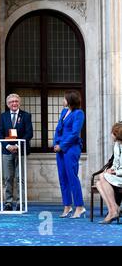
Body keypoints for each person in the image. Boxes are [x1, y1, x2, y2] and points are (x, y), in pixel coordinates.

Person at [0, 93, 33, 211]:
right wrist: (7, 146)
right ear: (8, 104)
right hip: (6, 152)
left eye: (16, 101)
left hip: (20, 151)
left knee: (20, 178)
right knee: (8, 177)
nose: (14, 103)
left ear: (19, 103)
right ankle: (8, 202)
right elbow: (0, 134)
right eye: (12, 102)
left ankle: (20, 203)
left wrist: (17, 146)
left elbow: (29, 133)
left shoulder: (26, 116)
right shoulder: (3, 116)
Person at [53, 90, 86, 219]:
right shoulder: (63, 112)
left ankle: (79, 206)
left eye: (64, 98)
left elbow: (74, 133)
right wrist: (56, 144)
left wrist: (62, 146)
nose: (63, 100)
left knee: (72, 177)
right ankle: (67, 205)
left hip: (71, 148)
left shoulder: (79, 113)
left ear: (70, 100)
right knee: (62, 178)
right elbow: (58, 129)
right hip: (60, 148)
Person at [95, 122, 122, 224]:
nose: (111, 134)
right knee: (99, 182)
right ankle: (113, 209)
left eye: (112, 132)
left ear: (117, 134)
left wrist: (115, 172)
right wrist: (111, 169)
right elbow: (115, 163)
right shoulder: (116, 145)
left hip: (120, 176)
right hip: (118, 176)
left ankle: (113, 210)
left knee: (102, 176)